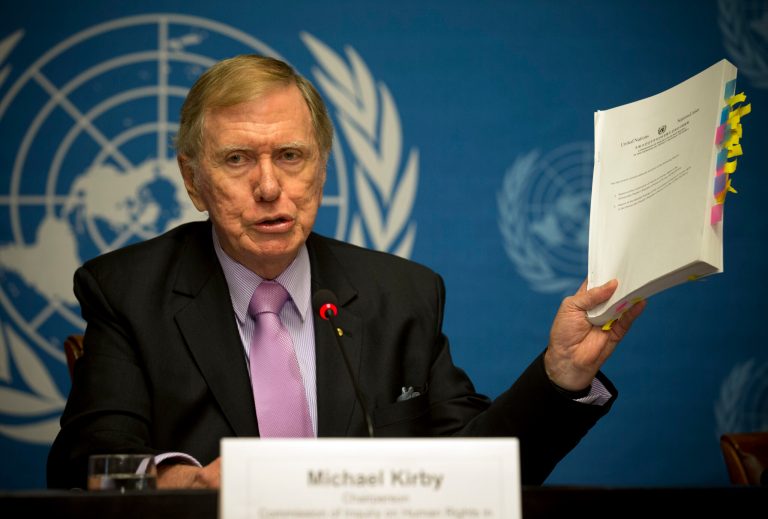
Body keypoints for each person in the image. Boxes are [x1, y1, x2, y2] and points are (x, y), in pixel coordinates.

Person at [46, 55, 644, 490]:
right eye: (236, 160)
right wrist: (182, 485)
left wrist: (560, 377)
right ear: (192, 181)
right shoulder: (128, 291)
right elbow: (88, 463)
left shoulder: (401, 294)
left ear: (322, 171)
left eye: (290, 155)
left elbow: (476, 471)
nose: (269, 186)